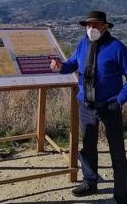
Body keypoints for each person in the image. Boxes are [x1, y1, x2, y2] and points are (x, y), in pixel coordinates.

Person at [50, 11, 127, 204]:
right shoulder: (82, 44)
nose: (90, 28)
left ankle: (122, 194)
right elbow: (71, 64)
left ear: (105, 26)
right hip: (86, 105)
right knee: (88, 146)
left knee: (117, 150)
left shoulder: (117, 47)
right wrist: (60, 66)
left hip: (110, 106)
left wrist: (119, 100)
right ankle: (90, 182)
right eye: (87, 25)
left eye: (95, 25)